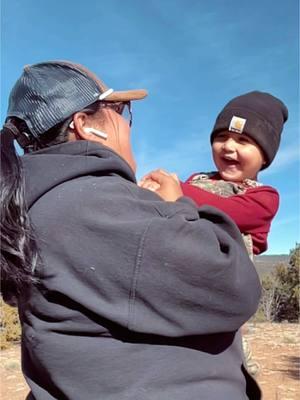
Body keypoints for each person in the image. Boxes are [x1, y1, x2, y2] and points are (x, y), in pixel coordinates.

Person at [1, 61, 262, 400]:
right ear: (85, 126)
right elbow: (235, 286)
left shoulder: (42, 206)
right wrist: (179, 207)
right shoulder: (95, 206)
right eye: (119, 109)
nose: (127, 124)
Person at [140, 91, 288, 259]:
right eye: (222, 137)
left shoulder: (265, 198)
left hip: (220, 281)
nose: (228, 146)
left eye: (243, 140)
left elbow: (225, 211)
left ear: (264, 157)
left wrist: (174, 188)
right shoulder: (197, 180)